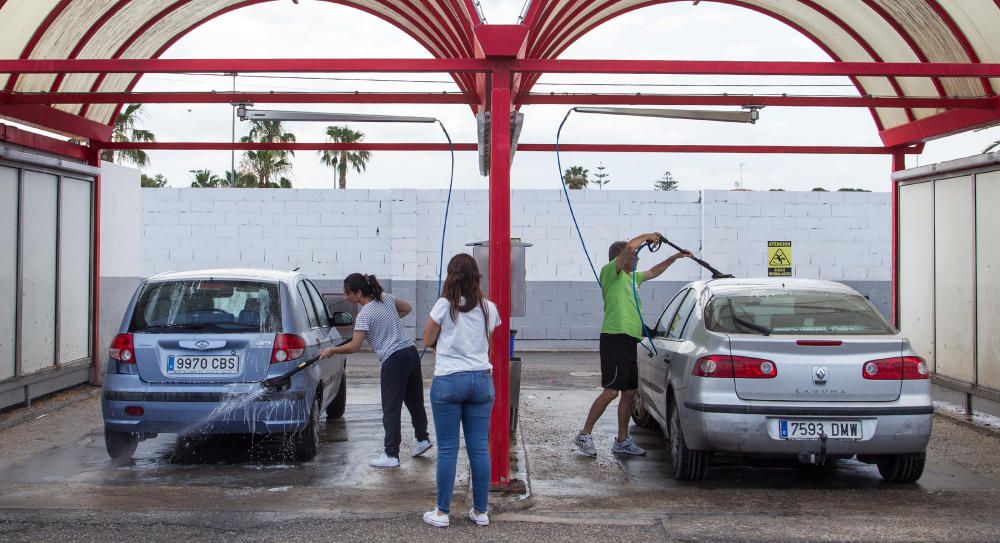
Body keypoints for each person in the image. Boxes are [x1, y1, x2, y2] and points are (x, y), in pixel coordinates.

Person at [572, 233, 691, 457]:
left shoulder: (632, 278)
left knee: (629, 392)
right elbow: (629, 247)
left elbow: (655, 271)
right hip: (614, 337)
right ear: (621, 257)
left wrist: (675, 257)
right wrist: (648, 236)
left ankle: (622, 440)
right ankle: (584, 434)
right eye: (634, 256)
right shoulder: (610, 273)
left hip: (629, 339)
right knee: (611, 392)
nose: (637, 259)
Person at [319, 273, 431, 468]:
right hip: (410, 353)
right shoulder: (386, 299)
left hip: (393, 360)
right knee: (415, 401)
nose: (346, 297)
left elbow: (354, 346)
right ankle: (422, 439)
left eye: (347, 293)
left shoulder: (364, 315)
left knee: (391, 408)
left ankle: (391, 454)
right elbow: (407, 308)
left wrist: (332, 350)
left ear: (358, 292)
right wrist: (389, 320)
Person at [421, 254, 500, 528]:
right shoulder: (488, 307)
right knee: (479, 448)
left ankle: (442, 513)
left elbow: (428, 338)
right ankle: (480, 511)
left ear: (451, 275)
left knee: (447, 449)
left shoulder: (444, 305)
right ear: (476, 276)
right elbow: (487, 343)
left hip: (448, 381)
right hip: (481, 379)